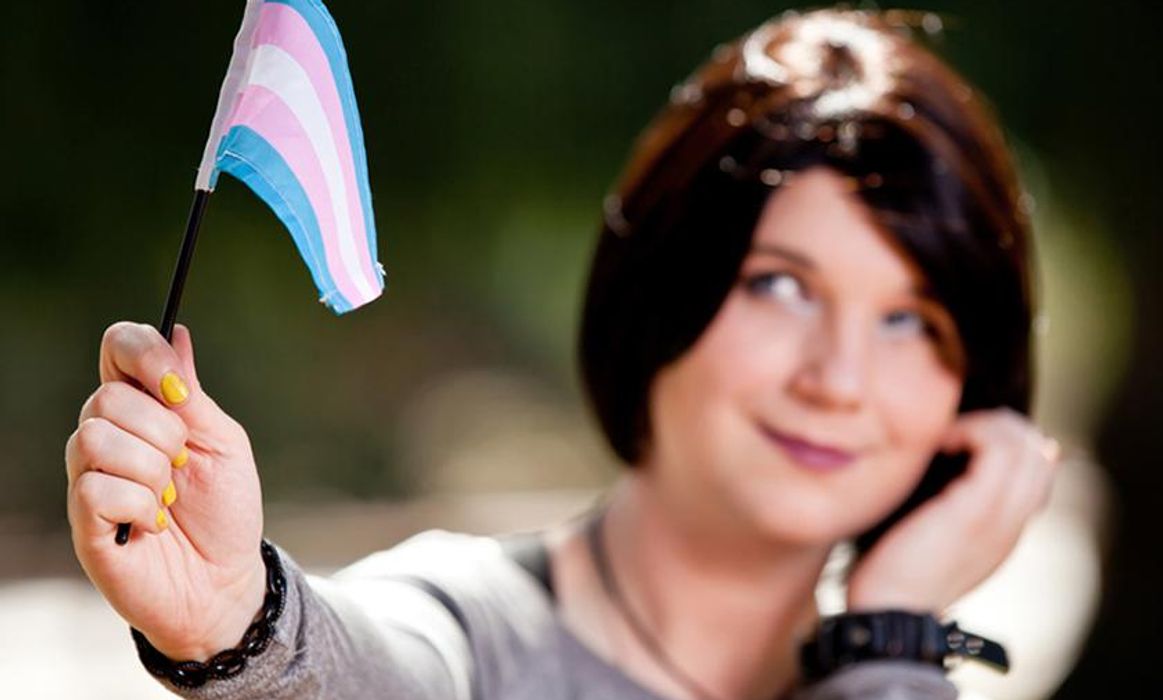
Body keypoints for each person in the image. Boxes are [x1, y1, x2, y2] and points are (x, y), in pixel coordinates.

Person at [65, 8, 1062, 699]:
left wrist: (888, 633)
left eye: (910, 321)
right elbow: (383, 664)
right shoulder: (476, 631)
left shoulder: (895, 664)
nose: (837, 379)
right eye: (780, 285)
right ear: (662, 285)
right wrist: (243, 620)